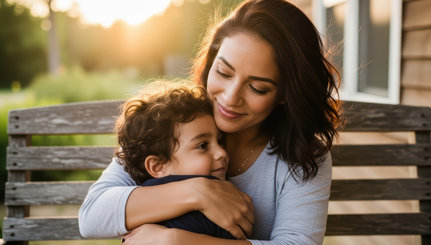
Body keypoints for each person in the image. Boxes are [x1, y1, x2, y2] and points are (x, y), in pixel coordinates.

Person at [78, 0, 341, 244]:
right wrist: (198, 192)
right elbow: (92, 216)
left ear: (285, 94)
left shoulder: (305, 155)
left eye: (258, 88)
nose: (230, 98)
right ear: (210, 62)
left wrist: (174, 241)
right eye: (224, 72)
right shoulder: (172, 123)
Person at [114, 84, 233, 239]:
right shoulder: (216, 204)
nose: (221, 153)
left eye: (220, 141)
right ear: (157, 166)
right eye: (203, 145)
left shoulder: (139, 206)